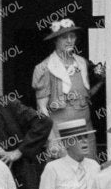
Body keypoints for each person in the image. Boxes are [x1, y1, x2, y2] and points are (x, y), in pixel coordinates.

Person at [33, 18, 94, 149]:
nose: (69, 40)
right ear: (55, 40)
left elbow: (86, 95)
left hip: (85, 131)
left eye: (72, 36)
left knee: (89, 161)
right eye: (64, 37)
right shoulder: (44, 68)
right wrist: (52, 139)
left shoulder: (82, 63)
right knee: (63, 162)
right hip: (60, 133)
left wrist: (102, 80)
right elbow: (42, 108)